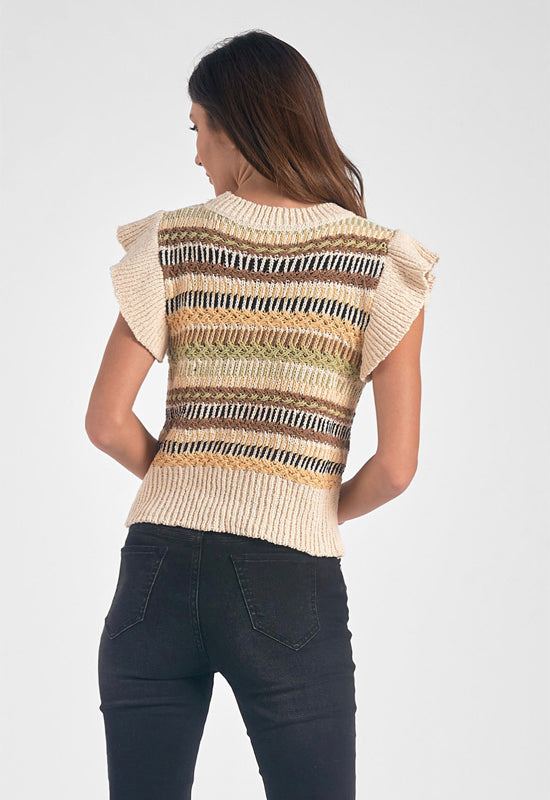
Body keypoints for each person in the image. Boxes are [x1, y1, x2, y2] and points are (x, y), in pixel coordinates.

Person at [85, 28, 439, 800]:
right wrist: (304, 507)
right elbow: (396, 467)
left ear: (236, 127)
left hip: (154, 572)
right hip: (288, 576)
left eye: (198, 129)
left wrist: (190, 483)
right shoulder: (379, 264)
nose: (196, 155)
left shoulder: (172, 242)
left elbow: (107, 421)